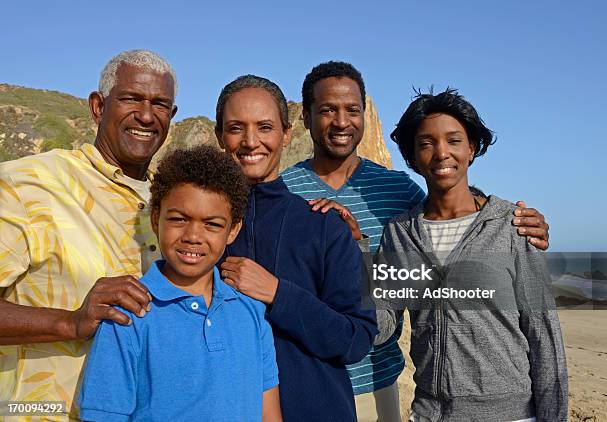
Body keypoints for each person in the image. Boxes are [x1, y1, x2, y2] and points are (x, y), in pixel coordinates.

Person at [280, 61, 551, 421]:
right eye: (327, 110)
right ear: (306, 118)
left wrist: (511, 223)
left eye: (352, 110)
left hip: (377, 383)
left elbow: (452, 211)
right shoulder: (281, 190)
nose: (341, 121)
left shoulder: (399, 193)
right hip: (303, 378)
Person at [0, 50, 177, 419]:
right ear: (98, 107)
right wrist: (69, 322)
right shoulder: (26, 184)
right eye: (131, 98)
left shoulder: (173, 204)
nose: (146, 115)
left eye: (160, 104)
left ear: (171, 117)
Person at [379, 89, 567, 421]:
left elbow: (543, 335)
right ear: (412, 155)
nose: (441, 153)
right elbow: (381, 325)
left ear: (472, 148)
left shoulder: (514, 226)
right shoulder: (399, 232)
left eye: (453, 141)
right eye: (426, 143)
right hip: (430, 413)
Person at [214, 74, 378, 421]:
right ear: (219, 137)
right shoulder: (203, 235)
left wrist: (277, 293)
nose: (250, 141)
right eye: (236, 128)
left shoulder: (325, 225)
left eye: (264, 127)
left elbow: (357, 338)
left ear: (286, 135)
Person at [78, 145, 282, 421]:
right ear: (155, 219)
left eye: (211, 224)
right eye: (178, 219)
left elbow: (269, 413)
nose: (193, 236)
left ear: (233, 230)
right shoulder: (127, 315)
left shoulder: (251, 313)